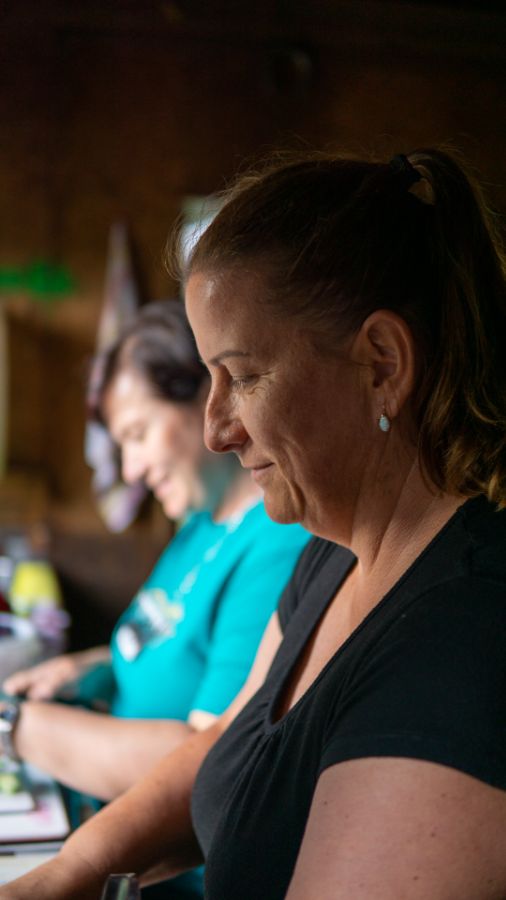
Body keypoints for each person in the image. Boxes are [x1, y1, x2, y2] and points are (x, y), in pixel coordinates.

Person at [2, 147, 506, 900]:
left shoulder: (463, 635)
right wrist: (67, 873)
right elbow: (223, 748)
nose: (215, 429)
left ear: (382, 363)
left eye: (242, 377)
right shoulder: (332, 558)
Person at [0, 300, 310, 899]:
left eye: (137, 435)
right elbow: (169, 642)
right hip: (96, 827)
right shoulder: (198, 525)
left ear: (205, 396)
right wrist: (96, 667)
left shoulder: (277, 543)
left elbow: (209, 761)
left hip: (161, 877)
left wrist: (16, 727)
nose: (131, 469)